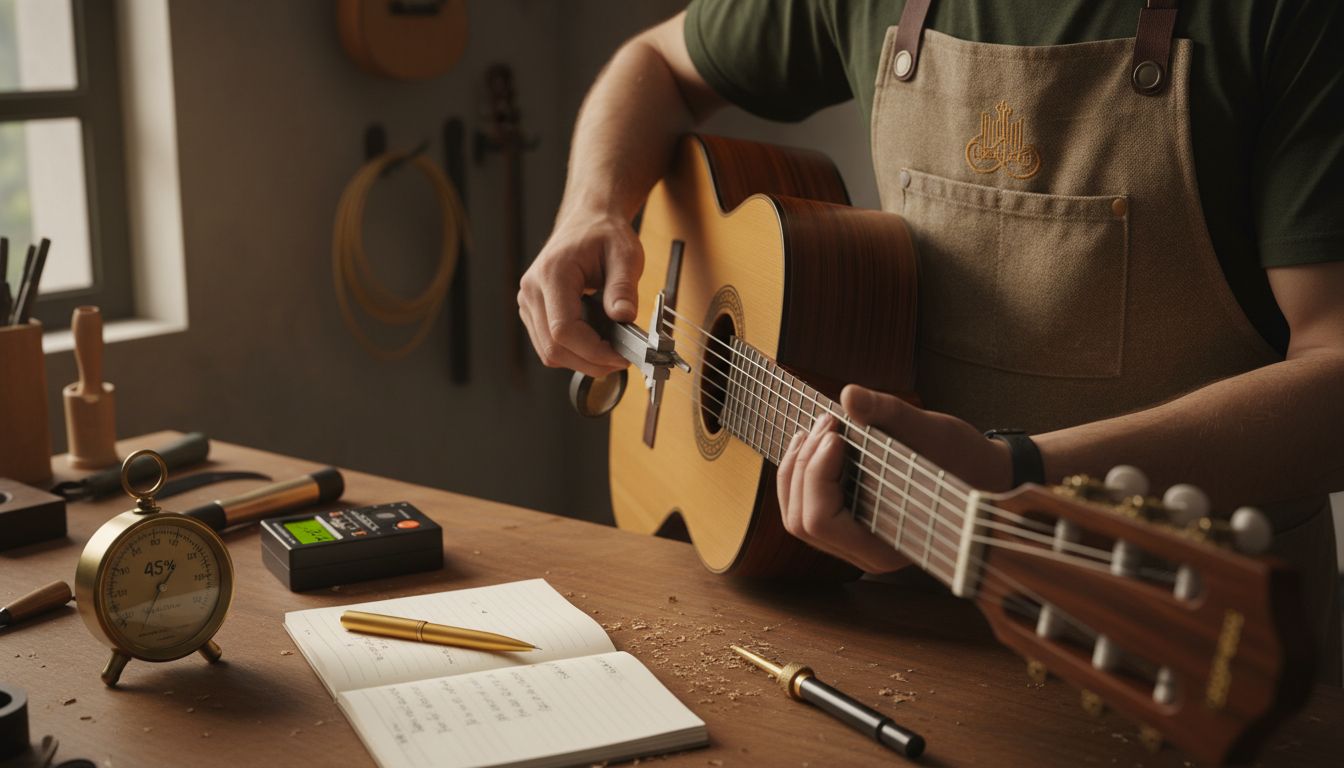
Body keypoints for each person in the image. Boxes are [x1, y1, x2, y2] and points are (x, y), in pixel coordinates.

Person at [518, 0, 1344, 682]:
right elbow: (657, 64)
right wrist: (591, 207)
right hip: (899, 637)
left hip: (1187, 641)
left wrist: (1018, 476)